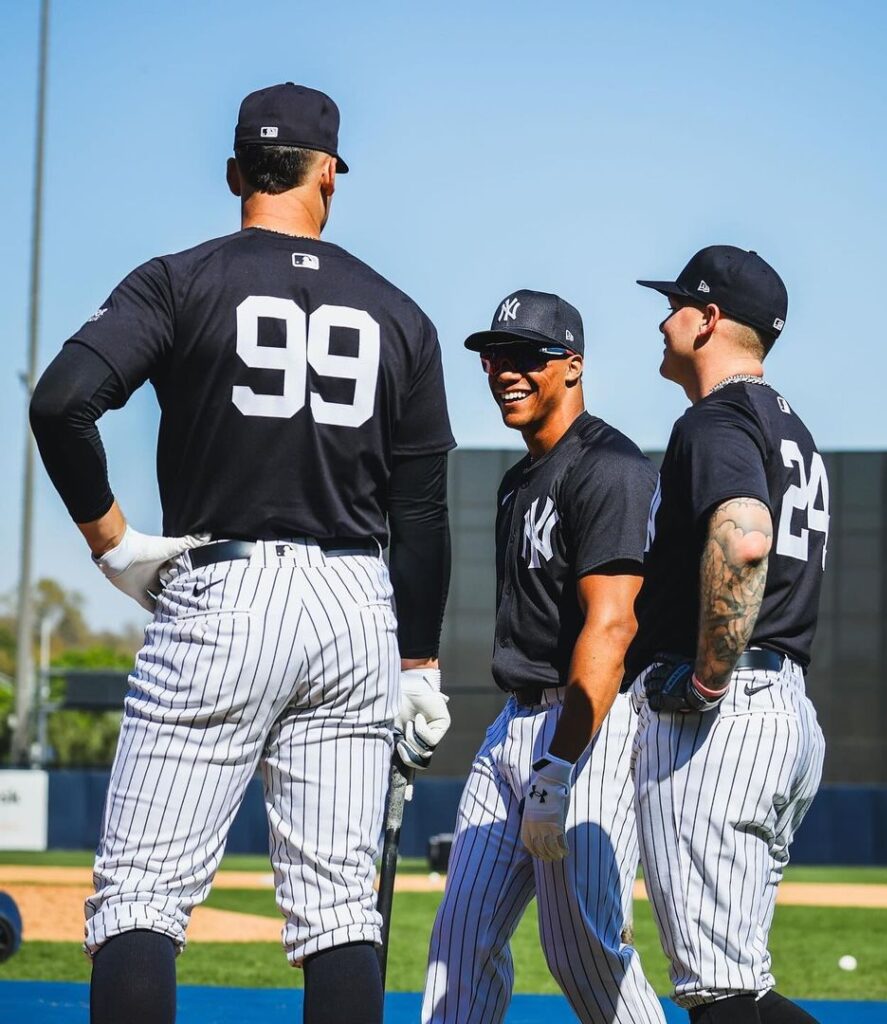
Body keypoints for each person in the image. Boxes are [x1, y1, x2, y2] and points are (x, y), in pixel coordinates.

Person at [29, 82, 455, 1024]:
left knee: (142, 896)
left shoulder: (180, 279)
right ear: (330, 176)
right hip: (356, 600)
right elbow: (420, 512)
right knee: (344, 912)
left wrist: (113, 544)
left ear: (234, 172)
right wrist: (419, 662)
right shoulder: (400, 313)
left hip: (225, 586)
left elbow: (61, 402)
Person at [422, 291, 666, 1024]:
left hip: (585, 727)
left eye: (526, 356)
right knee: (457, 946)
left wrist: (559, 766)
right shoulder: (519, 481)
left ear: (572, 365)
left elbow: (612, 626)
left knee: (583, 956)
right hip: (515, 724)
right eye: (495, 357)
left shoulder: (611, 469)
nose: (504, 371)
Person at [628, 246, 827, 1024]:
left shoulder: (717, 418)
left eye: (676, 303)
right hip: (785, 706)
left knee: (721, 996)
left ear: (708, 319)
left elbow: (745, 540)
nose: (662, 317)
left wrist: (707, 678)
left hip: (726, 711)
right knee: (736, 983)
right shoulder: (793, 429)